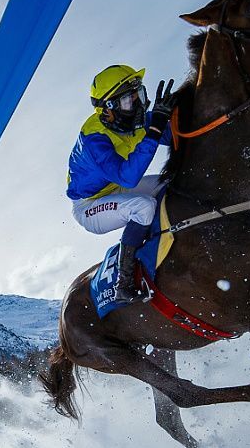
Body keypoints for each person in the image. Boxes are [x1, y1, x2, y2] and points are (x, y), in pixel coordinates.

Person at [68, 64, 177, 302]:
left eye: (140, 95)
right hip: (89, 205)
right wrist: (156, 127)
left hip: (115, 187)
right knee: (143, 206)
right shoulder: (93, 140)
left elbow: (173, 135)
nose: (139, 105)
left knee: (169, 182)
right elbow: (129, 177)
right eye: (129, 101)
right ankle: (124, 283)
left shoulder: (128, 121)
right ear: (108, 110)